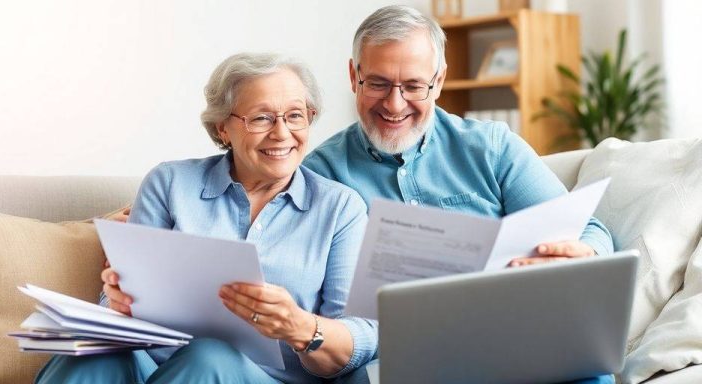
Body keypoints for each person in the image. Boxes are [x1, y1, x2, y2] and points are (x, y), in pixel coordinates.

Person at [301, 5, 614, 384]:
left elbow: (588, 229)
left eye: (414, 86)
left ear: (440, 80)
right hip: (394, 358)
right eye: (378, 84)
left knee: (588, 370)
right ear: (354, 76)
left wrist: (582, 254)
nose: (394, 104)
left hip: (507, 339)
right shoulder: (320, 174)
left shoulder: (492, 148)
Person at [35, 53, 377, 383]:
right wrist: (120, 302)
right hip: (153, 365)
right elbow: (119, 302)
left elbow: (357, 337)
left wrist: (299, 327)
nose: (281, 133)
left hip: (264, 378)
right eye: (261, 118)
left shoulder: (340, 208)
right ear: (222, 127)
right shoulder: (170, 183)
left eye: (295, 116)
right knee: (91, 348)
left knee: (210, 356)